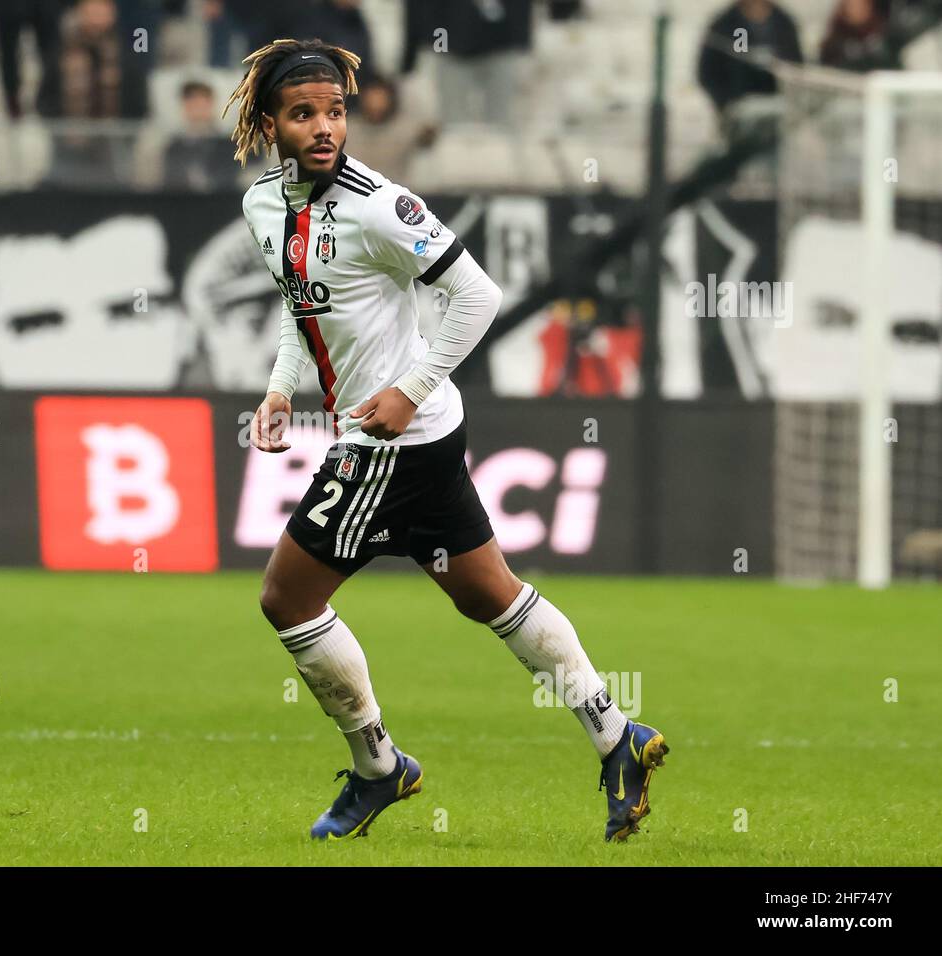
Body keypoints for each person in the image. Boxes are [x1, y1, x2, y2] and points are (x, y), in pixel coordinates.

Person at [223, 38, 669, 842]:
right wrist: (281, 387)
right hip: (408, 436)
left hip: (391, 442)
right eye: (304, 114)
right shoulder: (263, 205)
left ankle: (379, 769)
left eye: (335, 112)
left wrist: (407, 390)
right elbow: (304, 307)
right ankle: (618, 738)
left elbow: (477, 294)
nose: (325, 128)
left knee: (287, 598)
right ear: (269, 124)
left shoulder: (377, 204)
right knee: (485, 591)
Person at [698, 0, 803, 116]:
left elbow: (797, 69)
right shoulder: (724, 25)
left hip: (781, 112)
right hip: (738, 113)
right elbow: (708, 73)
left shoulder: (784, 23)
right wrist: (727, 104)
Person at [162, 81, 236, 191]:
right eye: (193, 104)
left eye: (202, 103)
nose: (198, 109)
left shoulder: (229, 144)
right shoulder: (173, 147)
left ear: (211, 104)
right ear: (184, 106)